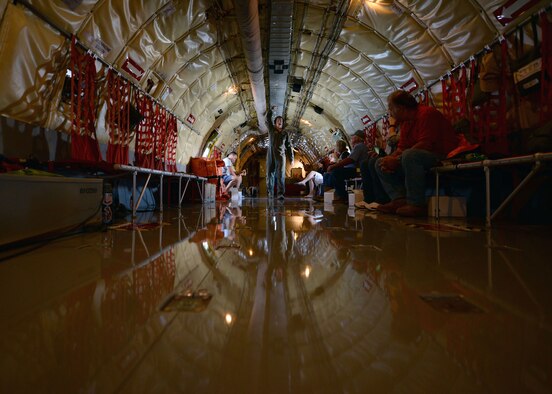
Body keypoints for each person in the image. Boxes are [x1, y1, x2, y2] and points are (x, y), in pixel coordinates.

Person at [375, 90, 458, 217]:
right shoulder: (406, 123)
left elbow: (426, 144)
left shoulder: (427, 114)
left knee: (410, 156)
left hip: (440, 154)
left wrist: (397, 160)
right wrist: (389, 159)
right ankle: (399, 199)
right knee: (379, 162)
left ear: (401, 108)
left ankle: (417, 204)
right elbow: (401, 148)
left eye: (391, 108)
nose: (389, 113)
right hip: (419, 155)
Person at [325, 130, 371, 204]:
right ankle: (337, 193)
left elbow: (350, 159)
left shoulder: (359, 146)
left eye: (353, 137)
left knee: (336, 172)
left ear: (357, 138)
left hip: (358, 170)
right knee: (336, 172)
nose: (352, 138)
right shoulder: (359, 146)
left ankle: (342, 196)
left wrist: (334, 166)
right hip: (358, 169)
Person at [266, 109, 294, 200]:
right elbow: (268, 119)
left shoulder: (285, 133)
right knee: (270, 174)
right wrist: (271, 111)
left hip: (281, 156)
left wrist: (292, 158)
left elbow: (289, 146)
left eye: (281, 121)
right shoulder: (271, 129)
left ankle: (280, 194)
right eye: (278, 120)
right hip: (270, 155)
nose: (280, 121)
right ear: (275, 123)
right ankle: (270, 192)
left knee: (280, 175)